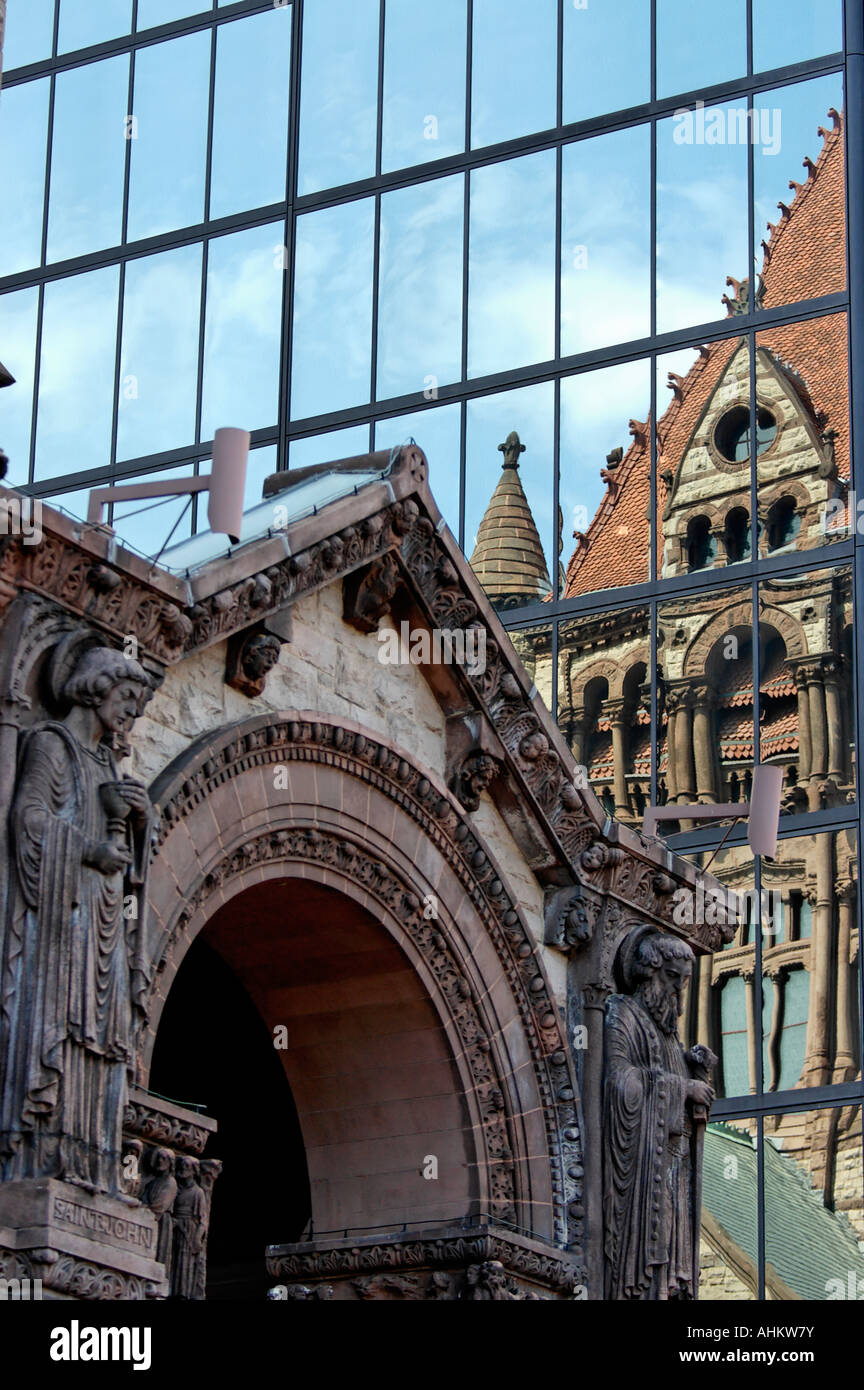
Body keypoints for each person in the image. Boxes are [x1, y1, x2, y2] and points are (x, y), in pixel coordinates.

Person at [0, 644, 154, 1194]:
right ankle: (41, 1159)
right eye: (126, 697)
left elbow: (134, 862)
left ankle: (90, 1165)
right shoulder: (51, 743)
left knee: (101, 1042)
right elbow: (30, 818)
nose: (131, 712)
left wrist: (141, 820)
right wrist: (89, 850)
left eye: (137, 705)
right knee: (62, 1028)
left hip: (104, 927)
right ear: (96, 687)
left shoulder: (109, 764)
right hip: (60, 923)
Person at [603, 924, 715, 1300]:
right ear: (647, 972)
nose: (678, 990)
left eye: (683, 981)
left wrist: (693, 1069)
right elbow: (621, 1081)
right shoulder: (624, 1014)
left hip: (671, 1165)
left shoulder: (668, 1034)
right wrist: (682, 1087)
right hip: (643, 1171)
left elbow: (674, 1085)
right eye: (671, 978)